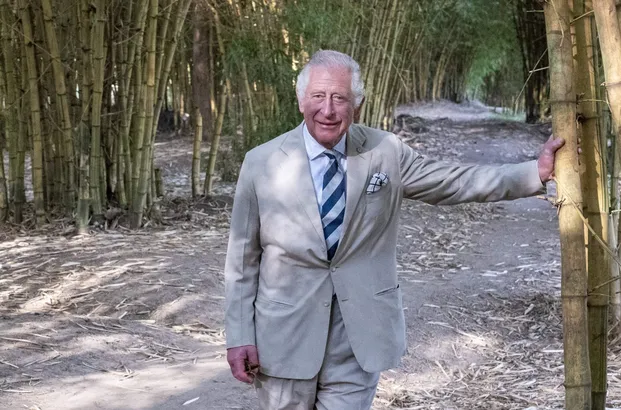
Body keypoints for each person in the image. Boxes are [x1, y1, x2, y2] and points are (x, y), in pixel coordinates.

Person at [224, 49, 565, 410]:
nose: (328, 110)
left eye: (340, 98)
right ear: (300, 100)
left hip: (358, 336)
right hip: (283, 338)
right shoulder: (261, 162)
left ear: (358, 103)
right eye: (318, 97)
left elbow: (453, 181)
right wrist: (240, 335)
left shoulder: (385, 151)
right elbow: (242, 260)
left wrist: (534, 173)